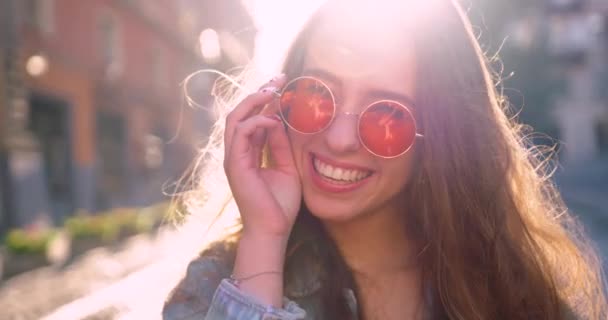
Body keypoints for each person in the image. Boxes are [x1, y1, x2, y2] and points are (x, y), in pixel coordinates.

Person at [162, 0, 607, 319]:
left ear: (442, 136)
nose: (337, 139)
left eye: (387, 115)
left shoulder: (512, 293)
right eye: (317, 95)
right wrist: (264, 243)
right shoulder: (216, 285)